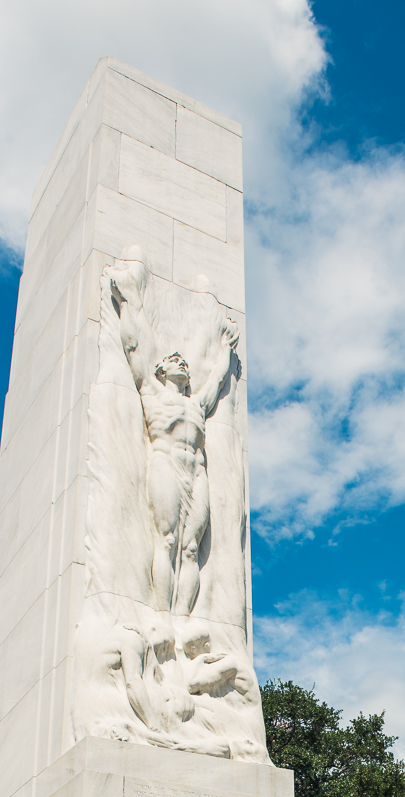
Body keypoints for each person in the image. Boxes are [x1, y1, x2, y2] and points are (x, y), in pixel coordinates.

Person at [109, 259, 239, 622]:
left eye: (183, 361)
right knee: (167, 540)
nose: (181, 361)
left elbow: (215, 380)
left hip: (195, 471)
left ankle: (182, 624)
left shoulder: (197, 404)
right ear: (162, 370)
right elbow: (134, 348)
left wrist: (227, 347)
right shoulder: (152, 393)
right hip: (165, 464)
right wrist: (126, 304)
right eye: (173, 360)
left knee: (190, 549)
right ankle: (161, 616)